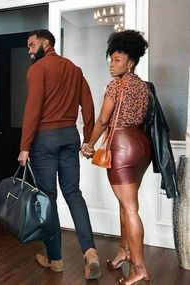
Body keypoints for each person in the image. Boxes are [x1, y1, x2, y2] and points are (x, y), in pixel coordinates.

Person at [18, 29, 101, 280]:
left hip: (45, 140)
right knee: (73, 193)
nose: (30, 50)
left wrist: (24, 146)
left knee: (48, 198)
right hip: (69, 137)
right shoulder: (74, 69)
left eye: (32, 45)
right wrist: (87, 138)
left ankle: (56, 260)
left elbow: (33, 108)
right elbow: (88, 104)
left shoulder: (37, 70)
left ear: (47, 42)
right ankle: (90, 252)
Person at [81, 30, 152, 285]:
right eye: (110, 59)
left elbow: (102, 120)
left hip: (121, 146)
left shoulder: (115, 85)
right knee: (127, 204)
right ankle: (123, 252)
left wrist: (88, 144)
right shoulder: (144, 87)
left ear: (130, 61)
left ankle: (140, 267)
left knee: (130, 207)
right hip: (142, 147)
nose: (112, 64)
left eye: (117, 59)